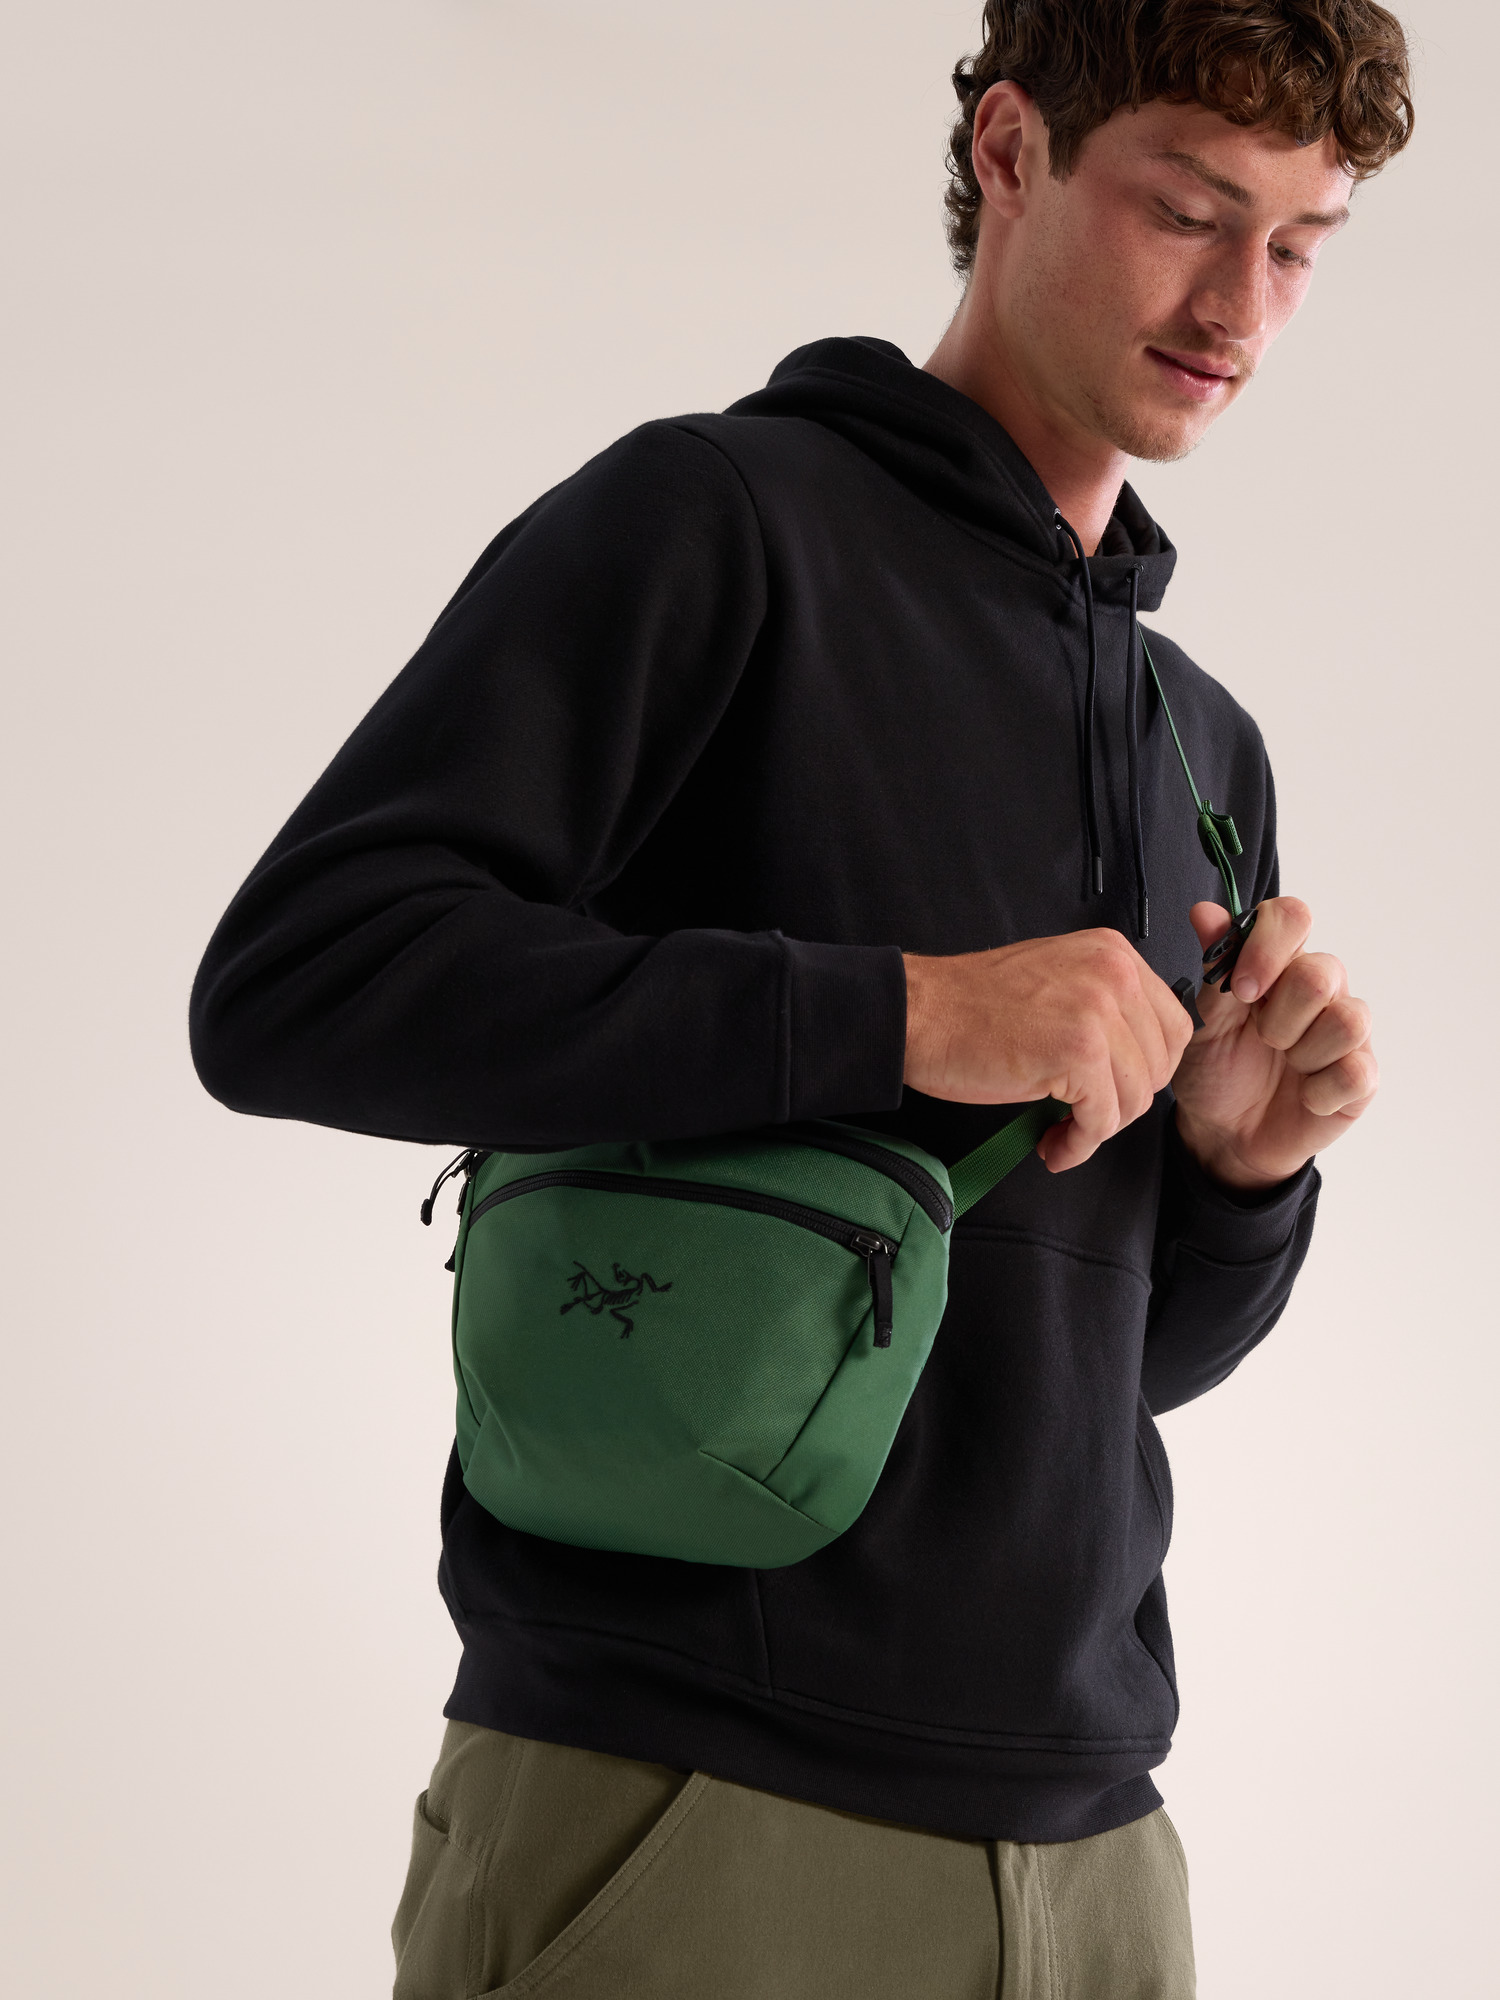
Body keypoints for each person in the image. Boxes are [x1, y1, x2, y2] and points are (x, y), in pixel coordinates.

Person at [189, 2, 1411, 1992]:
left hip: (1098, 1853)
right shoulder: (717, 525)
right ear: (1009, 152)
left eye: (1296, 245)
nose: (1238, 306)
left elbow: (1103, 1371)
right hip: (695, 1811)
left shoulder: (1200, 745)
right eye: (1189, 212)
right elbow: (300, 981)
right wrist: (906, 1014)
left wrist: (1244, 1174)